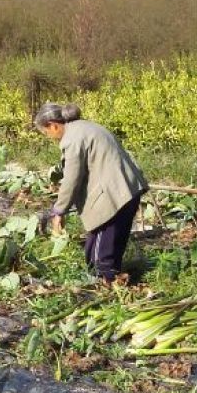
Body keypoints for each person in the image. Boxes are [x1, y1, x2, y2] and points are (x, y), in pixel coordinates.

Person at [34, 101, 147, 284]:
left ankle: (107, 292)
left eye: (46, 133)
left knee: (99, 262)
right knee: (103, 249)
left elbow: (72, 179)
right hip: (128, 191)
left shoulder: (72, 139)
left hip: (114, 196)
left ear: (53, 125)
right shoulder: (86, 127)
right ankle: (114, 285)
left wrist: (58, 211)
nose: (50, 137)